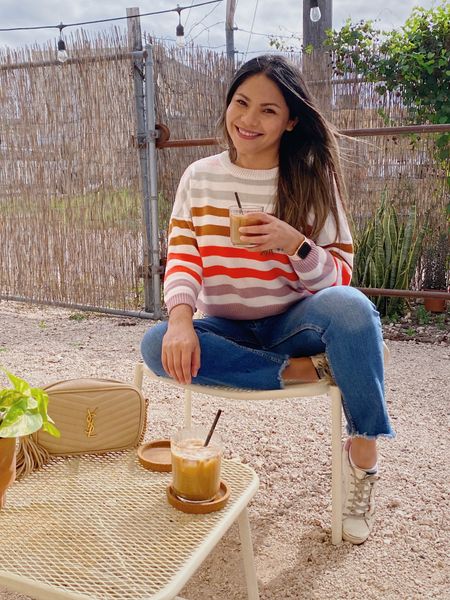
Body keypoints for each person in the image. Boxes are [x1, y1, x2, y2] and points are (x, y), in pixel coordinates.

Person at [141, 54, 395, 545]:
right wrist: (179, 320)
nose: (248, 120)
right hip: (228, 327)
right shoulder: (199, 177)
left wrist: (293, 243)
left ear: (292, 120)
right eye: (241, 103)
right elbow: (183, 258)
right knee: (155, 344)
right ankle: (311, 370)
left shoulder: (311, 177)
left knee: (354, 310)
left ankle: (363, 454)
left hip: (293, 322)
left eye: (268, 111)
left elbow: (341, 276)